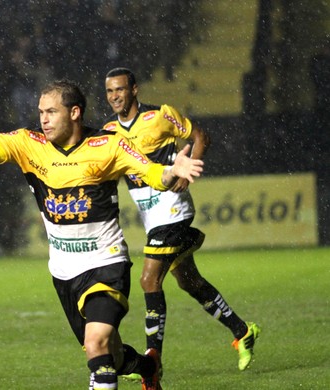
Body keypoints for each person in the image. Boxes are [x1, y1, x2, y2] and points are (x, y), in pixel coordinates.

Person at [0, 64, 205, 390]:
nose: (43, 118)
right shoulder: (28, 144)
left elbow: (152, 173)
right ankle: (147, 366)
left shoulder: (108, 145)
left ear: (74, 112)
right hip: (64, 271)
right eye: (41, 111)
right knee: (107, 353)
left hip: (105, 263)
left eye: (51, 112)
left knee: (97, 344)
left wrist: (171, 173)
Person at [102, 67, 260, 378]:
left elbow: (200, 136)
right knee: (188, 281)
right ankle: (243, 332)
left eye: (120, 89)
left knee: (149, 280)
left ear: (134, 89)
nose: (114, 96)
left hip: (173, 209)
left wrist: (187, 175)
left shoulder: (160, 116)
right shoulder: (108, 132)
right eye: (109, 92)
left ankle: (151, 361)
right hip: (151, 216)